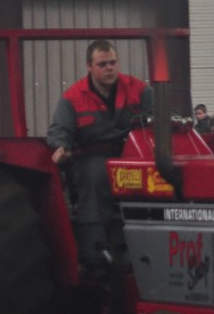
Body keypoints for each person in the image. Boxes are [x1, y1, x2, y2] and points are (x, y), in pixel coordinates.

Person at [47, 39, 153, 279]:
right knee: (95, 177)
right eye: (102, 64)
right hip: (91, 157)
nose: (109, 68)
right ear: (89, 67)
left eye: (113, 63)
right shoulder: (73, 97)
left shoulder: (139, 90)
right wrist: (60, 146)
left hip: (131, 155)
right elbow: (59, 129)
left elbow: (160, 118)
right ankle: (94, 257)